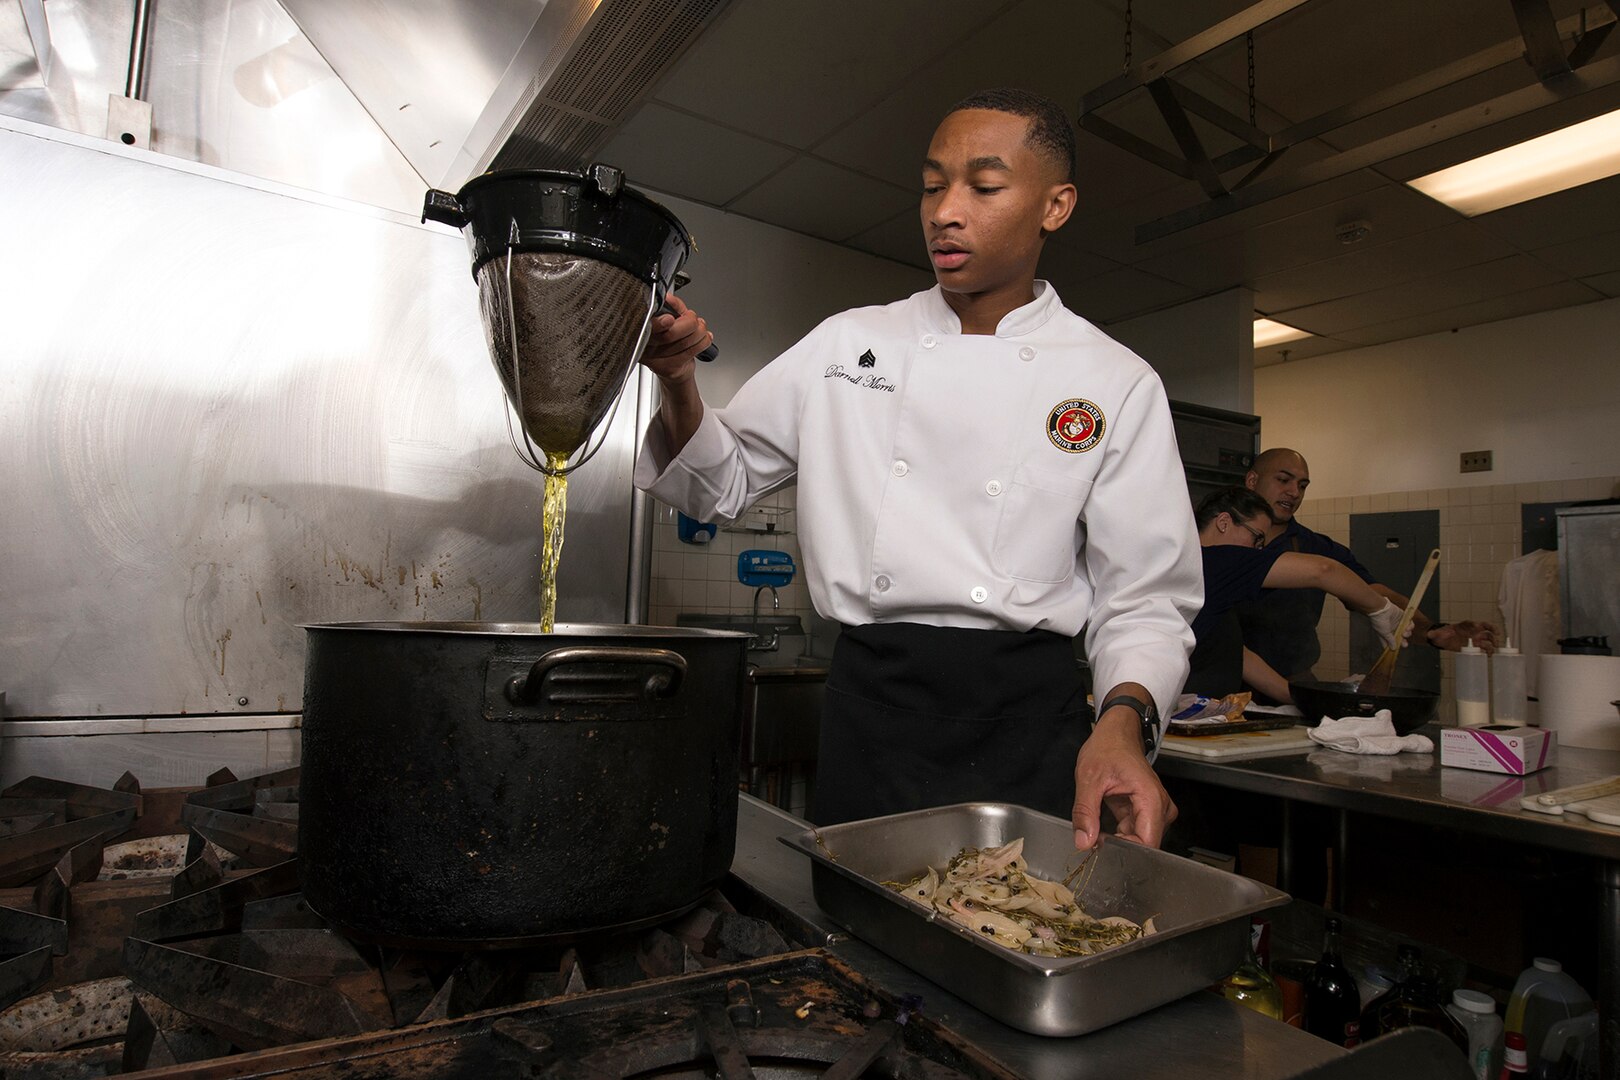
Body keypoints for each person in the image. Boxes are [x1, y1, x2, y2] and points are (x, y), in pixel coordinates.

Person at [634, 88, 1201, 851]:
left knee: (1023, 933)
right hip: (875, 708)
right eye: (933, 186)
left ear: (1055, 206)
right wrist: (677, 381)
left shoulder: (1113, 380)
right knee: (860, 941)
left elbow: (1146, 600)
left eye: (984, 186)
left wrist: (1123, 726)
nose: (944, 211)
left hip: (1029, 720)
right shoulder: (848, 345)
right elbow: (716, 480)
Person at [1237, 448, 1497, 687]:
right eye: (1283, 480)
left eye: (1302, 485)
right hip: (1219, 687)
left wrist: (1432, 631)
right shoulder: (1217, 538)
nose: (1294, 492)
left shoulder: (1317, 548)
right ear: (1252, 481)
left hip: (1291, 685)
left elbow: (1375, 595)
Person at [1188, 487, 1407, 703]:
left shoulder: (1195, 572)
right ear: (1224, 522)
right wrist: (1380, 608)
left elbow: (1237, 654)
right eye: (1256, 538)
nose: (1256, 550)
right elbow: (1324, 570)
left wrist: (1306, 699)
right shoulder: (1213, 562)